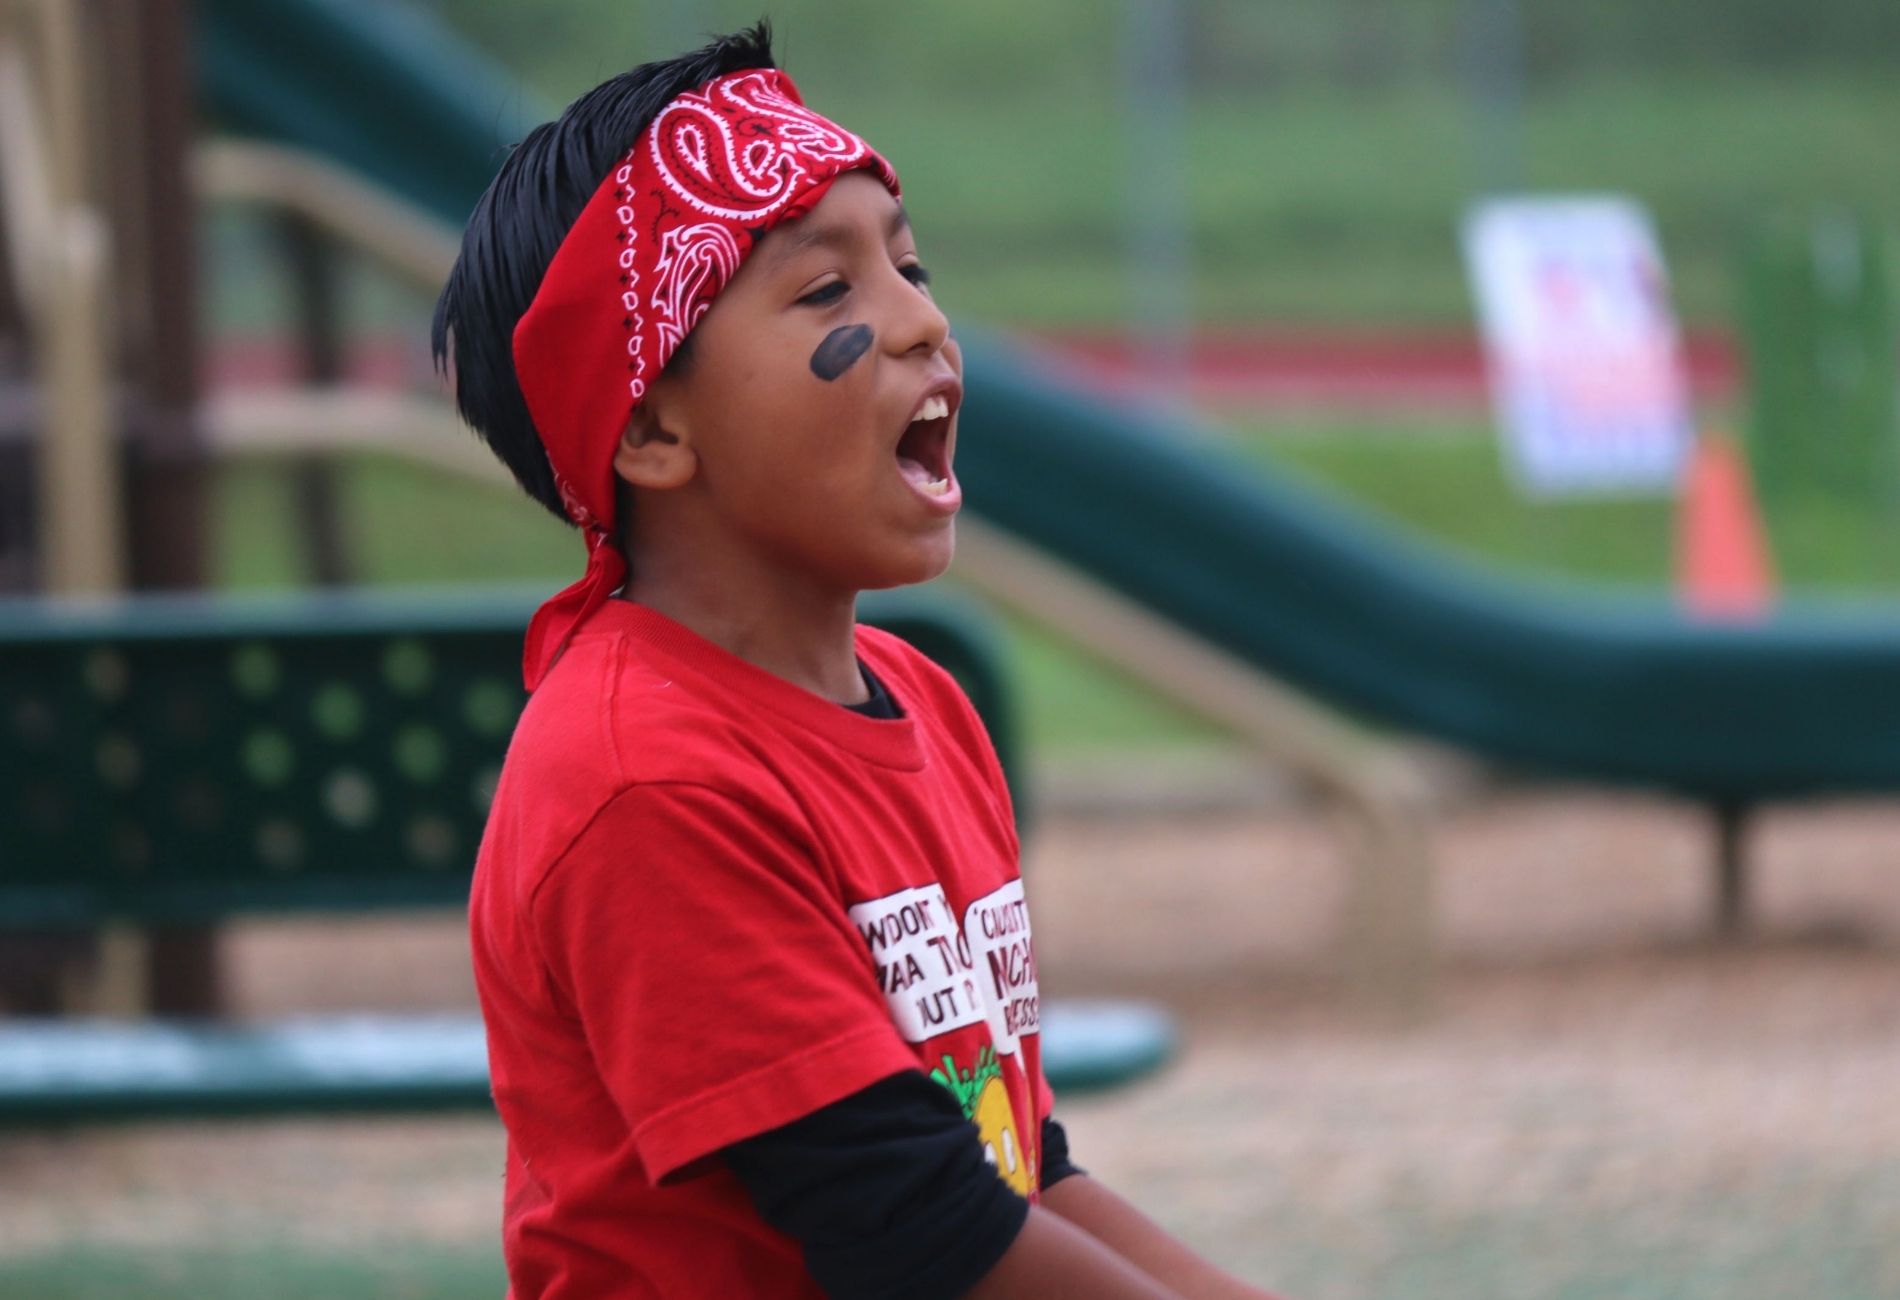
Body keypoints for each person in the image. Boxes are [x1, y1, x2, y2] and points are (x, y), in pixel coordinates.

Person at [435, 20, 1282, 1300]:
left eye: (908, 265)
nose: (923, 321)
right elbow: (914, 1227)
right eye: (828, 291)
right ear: (656, 427)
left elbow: (1017, 1166)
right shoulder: (644, 778)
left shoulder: (925, 704)